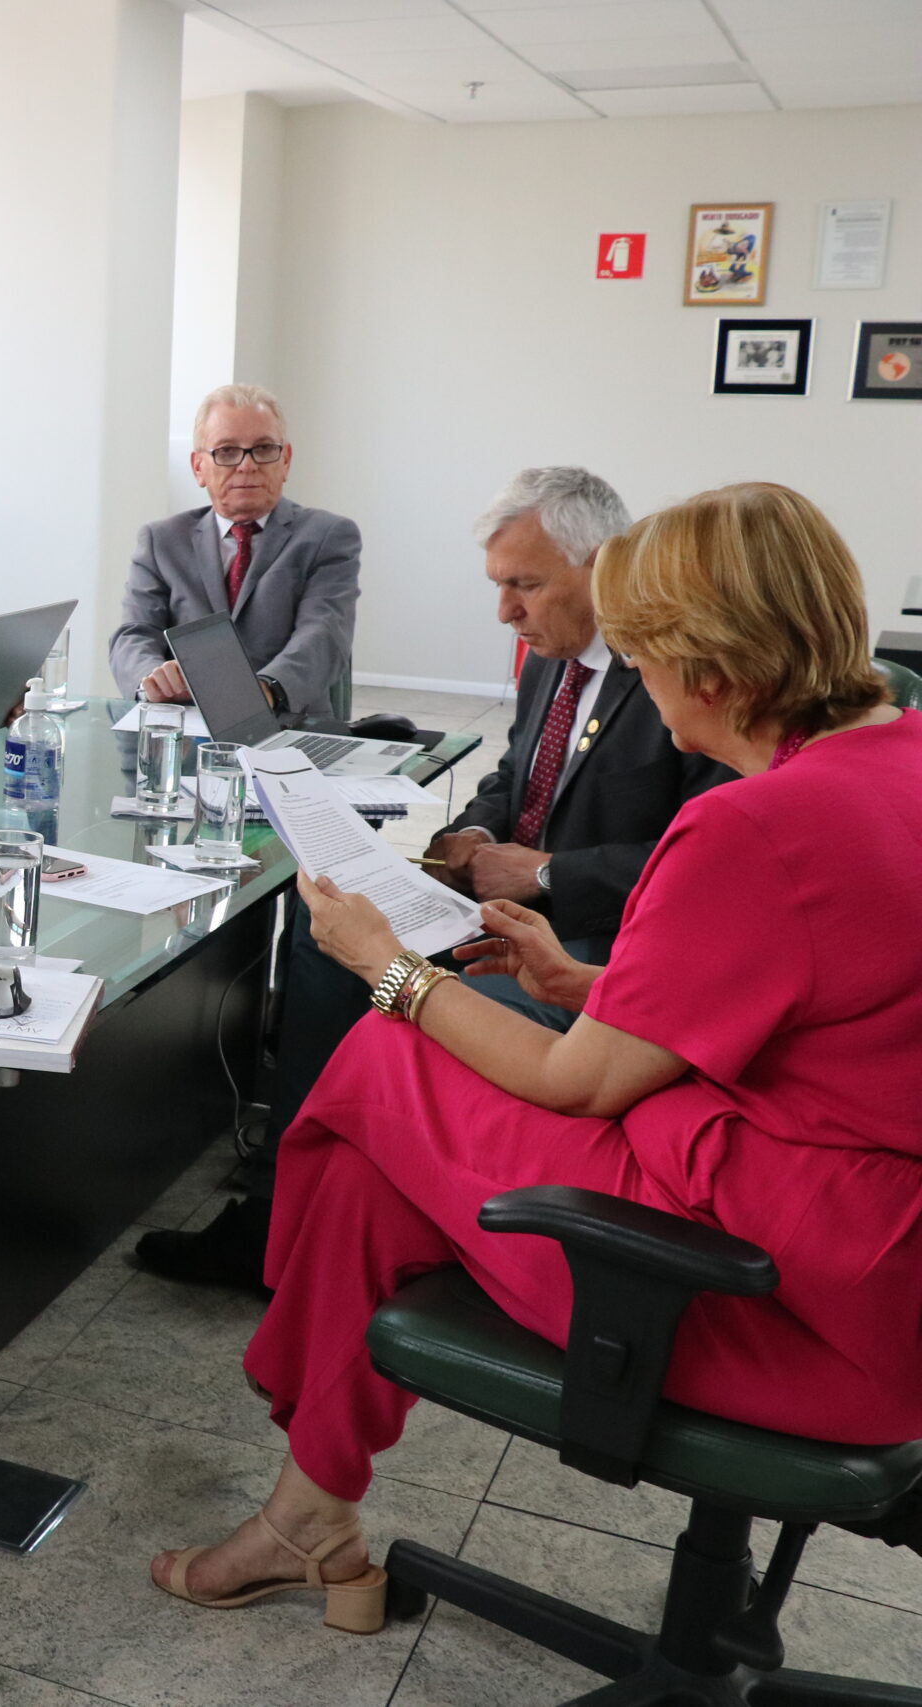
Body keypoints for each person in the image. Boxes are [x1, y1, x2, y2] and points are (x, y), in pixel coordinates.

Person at [149, 482, 922, 1633]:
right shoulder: (897, 753)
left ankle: (295, 1426)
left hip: (786, 1299)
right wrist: (589, 986)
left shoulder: (752, 824)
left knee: (383, 1060)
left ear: (707, 669)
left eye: (645, 656)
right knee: (371, 1158)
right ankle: (306, 1516)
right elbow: (818, 997)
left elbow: (575, 1082)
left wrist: (385, 964)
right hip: (871, 1262)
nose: (638, 680)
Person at [135, 468, 731, 1292]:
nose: (506, 611)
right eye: (499, 586)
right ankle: (282, 1198)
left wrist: (550, 871)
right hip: (501, 909)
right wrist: (476, 832)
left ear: (603, 565)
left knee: (378, 994)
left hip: (587, 941)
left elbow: (700, 864)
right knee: (327, 926)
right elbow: (514, 776)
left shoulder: (675, 677)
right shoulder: (552, 659)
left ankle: (305, 1218)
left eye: (525, 585)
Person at [110, 384, 359, 717]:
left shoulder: (328, 535)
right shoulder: (162, 541)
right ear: (198, 467)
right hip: (186, 726)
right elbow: (135, 633)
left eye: (264, 449)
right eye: (227, 451)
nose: (247, 465)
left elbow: (324, 634)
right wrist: (152, 680)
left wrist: (265, 689)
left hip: (289, 723)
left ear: (285, 460)